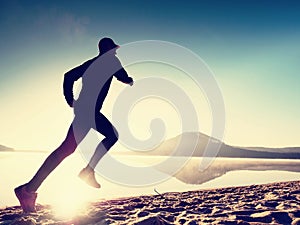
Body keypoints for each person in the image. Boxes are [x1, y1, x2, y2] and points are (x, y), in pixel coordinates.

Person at [14, 37, 134, 213]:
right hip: (89, 112)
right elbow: (122, 76)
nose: (116, 52)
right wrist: (129, 80)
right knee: (105, 138)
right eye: (113, 49)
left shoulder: (91, 63)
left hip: (85, 111)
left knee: (67, 149)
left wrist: (70, 100)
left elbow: (68, 76)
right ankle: (30, 189)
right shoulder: (112, 61)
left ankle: (29, 189)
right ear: (108, 50)